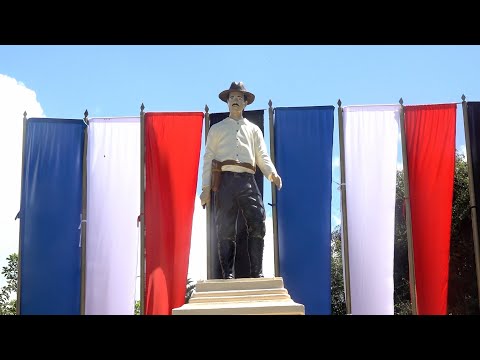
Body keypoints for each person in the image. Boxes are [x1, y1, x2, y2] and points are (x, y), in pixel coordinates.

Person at [200, 81, 282, 279]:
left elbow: (262, 155)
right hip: (225, 180)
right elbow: (208, 157)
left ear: (246, 103)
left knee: (257, 222)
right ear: (227, 102)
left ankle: (257, 273)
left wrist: (272, 173)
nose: (235, 101)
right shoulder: (217, 129)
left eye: (239, 98)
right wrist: (205, 187)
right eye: (232, 97)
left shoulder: (254, 130)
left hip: (247, 179)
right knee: (225, 227)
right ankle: (227, 273)